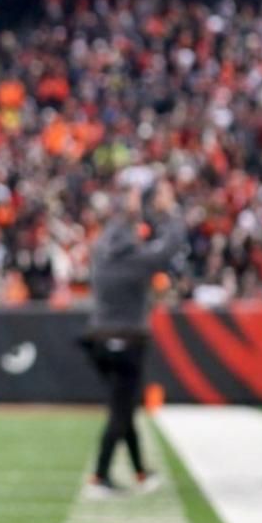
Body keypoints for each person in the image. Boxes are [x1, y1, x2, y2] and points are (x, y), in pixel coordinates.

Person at [83, 174, 184, 496]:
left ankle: (140, 471)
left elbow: (119, 227)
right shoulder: (136, 259)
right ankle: (99, 475)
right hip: (128, 340)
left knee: (122, 407)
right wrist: (168, 212)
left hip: (100, 338)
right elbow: (170, 246)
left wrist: (130, 209)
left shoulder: (101, 251)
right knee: (121, 410)